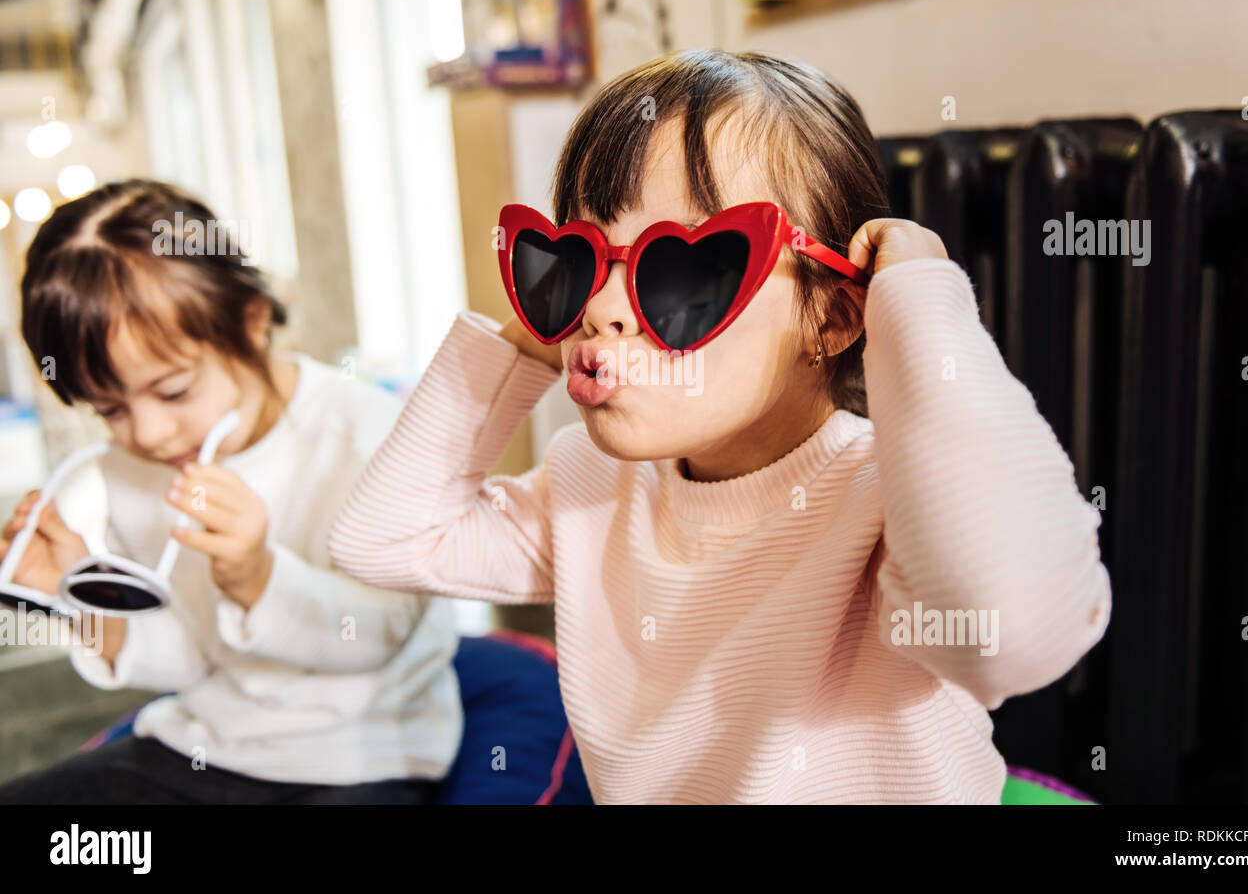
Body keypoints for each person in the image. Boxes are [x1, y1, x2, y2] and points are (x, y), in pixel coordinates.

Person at [327, 50, 1112, 803]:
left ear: (834, 315)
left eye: (687, 268)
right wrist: (525, 338)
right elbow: (382, 537)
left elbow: (1015, 633)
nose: (603, 308)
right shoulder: (591, 484)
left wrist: (920, 300)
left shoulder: (887, 498)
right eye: (579, 259)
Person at [0, 180, 460, 803]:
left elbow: (378, 637)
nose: (151, 434)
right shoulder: (131, 462)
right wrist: (79, 589)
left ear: (251, 321)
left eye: (173, 391)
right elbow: (187, 655)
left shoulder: (363, 434)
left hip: (361, 757)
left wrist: (257, 575)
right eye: (109, 409)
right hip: (204, 748)